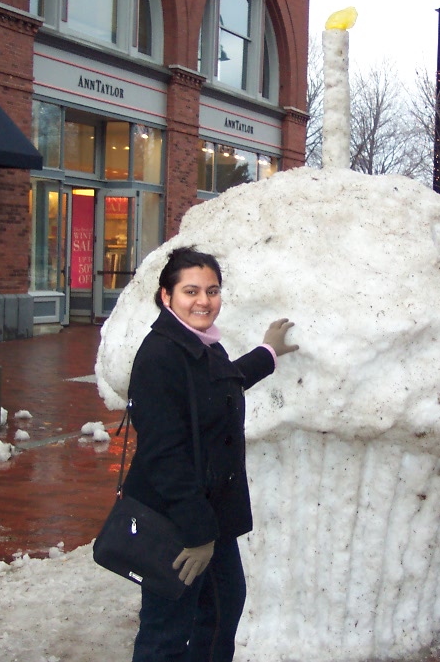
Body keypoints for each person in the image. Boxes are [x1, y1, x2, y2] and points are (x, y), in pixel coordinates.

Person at [126, 246, 298, 662]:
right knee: (166, 631)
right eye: (191, 291)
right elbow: (164, 455)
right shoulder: (159, 356)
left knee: (222, 606)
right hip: (178, 520)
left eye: (212, 290)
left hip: (208, 514)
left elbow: (221, 384)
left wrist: (268, 353)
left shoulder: (198, 344)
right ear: (166, 296)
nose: (204, 301)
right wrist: (197, 534)